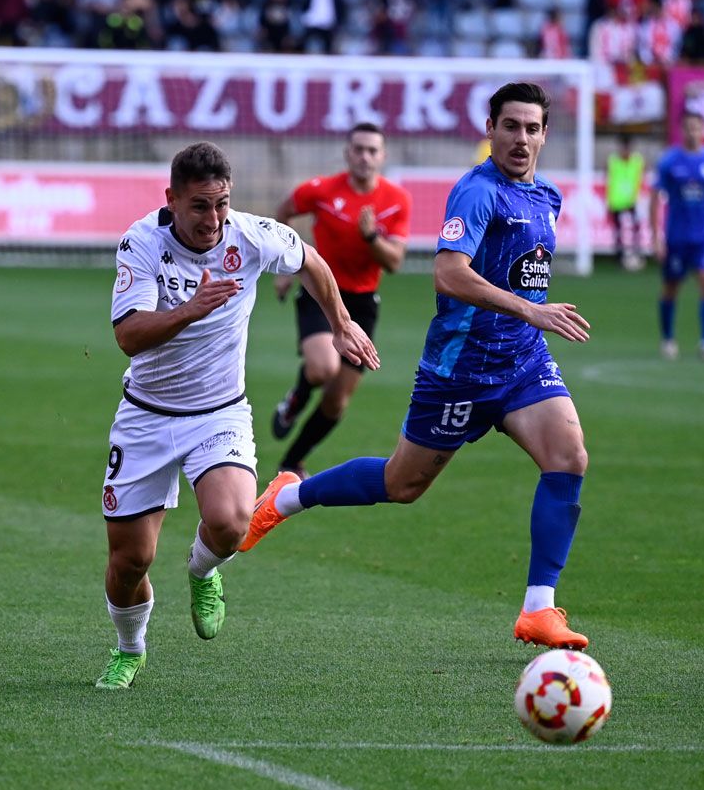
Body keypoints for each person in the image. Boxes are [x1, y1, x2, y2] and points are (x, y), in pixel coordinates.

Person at [242, 82, 595, 651]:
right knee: (400, 484)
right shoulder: (477, 193)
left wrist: (529, 322)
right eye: (510, 126)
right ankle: (286, 497)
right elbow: (448, 273)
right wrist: (532, 308)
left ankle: (539, 609)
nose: (521, 139)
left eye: (532, 128)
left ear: (545, 134)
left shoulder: (548, 196)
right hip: (460, 368)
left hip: (523, 361)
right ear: (491, 130)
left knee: (569, 456)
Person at [95, 141, 378, 689]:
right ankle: (130, 648)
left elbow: (311, 261)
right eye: (200, 206)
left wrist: (340, 322)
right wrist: (189, 310)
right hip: (146, 416)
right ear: (171, 200)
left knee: (230, 523)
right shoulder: (142, 243)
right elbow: (128, 336)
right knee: (130, 562)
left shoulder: (251, 235)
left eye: (222, 203)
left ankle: (202, 570)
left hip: (218, 412)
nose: (214, 218)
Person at [270, 122, 411, 478]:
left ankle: (292, 461)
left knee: (337, 400)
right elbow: (282, 214)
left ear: (383, 156)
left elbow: (393, 262)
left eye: (372, 150)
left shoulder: (397, 200)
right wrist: (284, 269)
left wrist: (371, 238)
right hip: (321, 290)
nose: (365, 156)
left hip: (363, 303)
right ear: (347, 153)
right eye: (358, 149)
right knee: (323, 369)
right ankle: (295, 401)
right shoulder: (320, 190)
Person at [649, 110, 704, 362]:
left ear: (703, 131)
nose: (693, 132)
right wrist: (656, 237)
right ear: (682, 130)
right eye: (688, 127)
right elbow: (655, 199)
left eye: (697, 128)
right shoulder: (670, 162)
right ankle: (668, 339)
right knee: (670, 288)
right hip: (677, 237)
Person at [605, 133, 644, 271]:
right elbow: (610, 180)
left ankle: (636, 254)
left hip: (632, 201)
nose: (625, 151)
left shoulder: (637, 161)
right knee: (618, 231)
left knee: (634, 230)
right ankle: (620, 257)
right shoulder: (613, 161)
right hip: (617, 201)